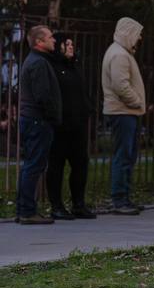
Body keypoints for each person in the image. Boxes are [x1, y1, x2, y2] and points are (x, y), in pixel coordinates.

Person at [15, 25, 60, 225]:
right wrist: (52, 116)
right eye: (50, 37)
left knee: (31, 165)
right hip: (37, 120)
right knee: (34, 165)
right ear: (39, 42)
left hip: (32, 118)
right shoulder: (39, 63)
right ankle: (27, 210)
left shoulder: (34, 61)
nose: (54, 40)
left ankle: (24, 208)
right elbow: (43, 95)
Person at [102, 16, 146, 215]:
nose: (139, 38)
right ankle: (120, 198)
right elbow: (121, 85)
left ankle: (124, 197)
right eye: (137, 34)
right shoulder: (119, 55)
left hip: (126, 111)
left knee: (127, 155)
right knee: (124, 155)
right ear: (129, 33)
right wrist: (136, 101)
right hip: (123, 112)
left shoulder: (122, 53)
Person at [47, 34, 94, 220]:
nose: (71, 47)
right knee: (56, 165)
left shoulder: (75, 66)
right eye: (67, 44)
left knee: (80, 164)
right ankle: (56, 205)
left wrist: (87, 109)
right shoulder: (53, 67)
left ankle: (78, 204)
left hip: (78, 124)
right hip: (60, 126)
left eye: (72, 44)